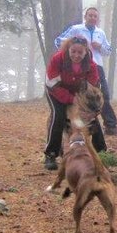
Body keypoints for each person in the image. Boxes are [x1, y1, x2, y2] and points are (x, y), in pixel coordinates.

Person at [55, 7, 117, 136]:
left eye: (95, 16)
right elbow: (58, 41)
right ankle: (73, 126)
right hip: (79, 67)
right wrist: (74, 47)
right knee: (79, 96)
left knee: (103, 95)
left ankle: (111, 126)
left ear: (97, 19)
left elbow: (108, 51)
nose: (92, 18)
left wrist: (100, 47)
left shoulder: (101, 33)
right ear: (85, 16)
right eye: (90, 15)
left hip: (97, 67)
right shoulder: (76, 29)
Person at [44, 37, 107, 171]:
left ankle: (101, 152)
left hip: (78, 94)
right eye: (73, 51)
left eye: (80, 52)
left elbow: (93, 88)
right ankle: (51, 154)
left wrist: (91, 107)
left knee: (92, 119)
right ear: (68, 49)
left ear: (86, 52)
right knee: (58, 116)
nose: (76, 55)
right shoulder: (57, 59)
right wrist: (70, 99)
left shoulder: (91, 66)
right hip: (56, 91)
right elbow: (52, 84)